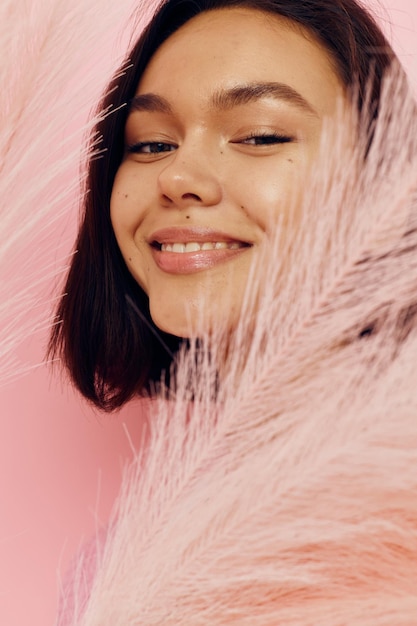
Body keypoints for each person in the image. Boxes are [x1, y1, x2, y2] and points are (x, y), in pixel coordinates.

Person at [53, 0, 417, 624]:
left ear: (384, 179)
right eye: (151, 143)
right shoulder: (114, 563)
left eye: (261, 135)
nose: (178, 175)